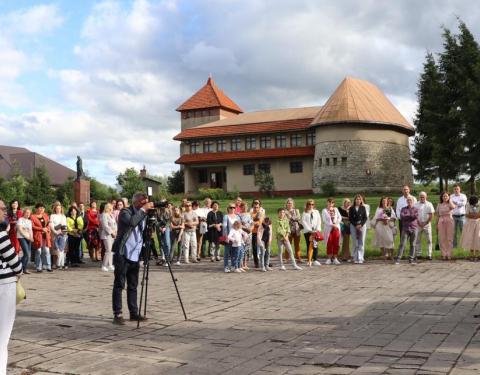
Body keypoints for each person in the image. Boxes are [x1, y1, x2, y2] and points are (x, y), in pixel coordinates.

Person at [112, 192, 152, 325]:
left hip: (136, 253)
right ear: (135, 201)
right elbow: (132, 222)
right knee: (119, 283)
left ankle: (133, 312)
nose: (145, 203)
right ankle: (118, 313)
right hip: (123, 252)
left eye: (145, 201)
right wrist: (143, 210)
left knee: (133, 285)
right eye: (142, 201)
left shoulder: (144, 213)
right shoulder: (125, 212)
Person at [0, 199, 22, 375]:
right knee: (2, 338)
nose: (4, 211)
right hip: (4, 286)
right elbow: (16, 264)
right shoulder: (1, 236)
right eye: (2, 208)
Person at [396, 196, 419, 264]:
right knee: (402, 244)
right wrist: (410, 216)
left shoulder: (416, 209)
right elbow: (402, 216)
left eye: (410, 200)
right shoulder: (403, 209)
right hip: (405, 228)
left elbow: (416, 216)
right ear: (406, 202)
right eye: (408, 200)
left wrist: (408, 216)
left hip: (414, 228)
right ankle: (398, 259)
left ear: (413, 201)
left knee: (413, 244)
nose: (409, 202)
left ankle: (411, 259)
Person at [31, 203, 53, 273]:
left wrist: (47, 229)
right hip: (38, 236)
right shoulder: (32, 216)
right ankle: (38, 267)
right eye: (40, 208)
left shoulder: (46, 215)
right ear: (36, 209)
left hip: (45, 236)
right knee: (38, 251)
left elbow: (48, 224)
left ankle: (48, 266)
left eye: (43, 208)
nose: (41, 209)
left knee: (46, 251)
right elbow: (32, 226)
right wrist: (41, 229)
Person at [414, 192, 435, 260]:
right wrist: (418, 222)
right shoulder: (416, 204)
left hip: (427, 224)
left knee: (429, 239)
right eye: (420, 197)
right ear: (419, 197)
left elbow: (432, 214)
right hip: (418, 224)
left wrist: (426, 222)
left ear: (426, 197)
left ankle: (429, 254)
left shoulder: (429, 204)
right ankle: (418, 254)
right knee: (417, 239)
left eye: (423, 197)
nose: (422, 198)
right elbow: (414, 215)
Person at [322, 198, 342, 265]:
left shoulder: (336, 209)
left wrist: (336, 224)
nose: (331, 204)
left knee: (336, 243)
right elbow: (324, 220)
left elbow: (339, 217)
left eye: (332, 202)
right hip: (328, 229)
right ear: (327, 203)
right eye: (329, 202)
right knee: (329, 243)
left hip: (336, 228)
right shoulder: (324, 210)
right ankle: (329, 258)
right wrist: (331, 225)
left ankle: (335, 258)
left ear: (334, 203)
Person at [436, 191, 455, 261]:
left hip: (449, 220)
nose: (445, 197)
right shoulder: (439, 204)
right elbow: (437, 215)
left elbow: (453, 207)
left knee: (449, 238)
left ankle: (449, 254)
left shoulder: (450, 204)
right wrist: (436, 224)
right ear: (441, 197)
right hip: (441, 221)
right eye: (444, 196)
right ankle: (444, 254)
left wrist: (450, 200)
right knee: (442, 238)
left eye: (446, 196)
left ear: (449, 197)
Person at [349, 194, 368, 264]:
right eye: (357, 199)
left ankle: (360, 257)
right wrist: (355, 225)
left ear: (361, 200)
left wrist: (361, 224)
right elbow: (350, 218)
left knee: (361, 241)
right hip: (353, 226)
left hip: (362, 226)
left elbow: (365, 217)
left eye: (359, 199)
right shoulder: (351, 208)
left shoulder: (363, 208)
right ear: (355, 200)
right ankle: (354, 257)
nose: (358, 200)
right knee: (354, 241)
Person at [302, 199, 322, 266]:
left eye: (312, 204)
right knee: (309, 245)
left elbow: (319, 220)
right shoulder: (305, 213)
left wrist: (317, 229)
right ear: (307, 205)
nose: (311, 206)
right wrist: (310, 230)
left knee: (315, 245)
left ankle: (315, 259)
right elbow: (304, 222)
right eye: (309, 204)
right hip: (308, 231)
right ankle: (309, 259)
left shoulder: (316, 212)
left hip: (315, 231)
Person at [460, 195, 480, 260]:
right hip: (470, 223)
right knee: (470, 238)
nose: (474, 204)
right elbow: (466, 214)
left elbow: (479, 215)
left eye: (475, 203)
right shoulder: (468, 204)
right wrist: (475, 215)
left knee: (477, 238)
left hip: (478, 223)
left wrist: (473, 215)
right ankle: (471, 254)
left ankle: (477, 254)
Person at [49, 202, 68, 270]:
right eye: (57, 208)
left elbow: (65, 225)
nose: (58, 209)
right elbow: (51, 225)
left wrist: (63, 233)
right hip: (54, 233)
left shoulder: (63, 216)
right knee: (54, 249)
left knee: (62, 249)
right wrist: (55, 231)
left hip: (62, 234)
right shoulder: (52, 215)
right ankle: (54, 263)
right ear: (55, 209)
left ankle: (61, 263)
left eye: (59, 208)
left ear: (61, 209)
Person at [100, 203, 117, 272]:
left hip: (113, 235)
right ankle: (104, 265)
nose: (112, 208)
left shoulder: (112, 215)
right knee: (108, 250)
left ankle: (110, 265)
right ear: (108, 208)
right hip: (107, 235)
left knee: (111, 251)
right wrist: (111, 232)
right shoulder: (104, 215)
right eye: (111, 207)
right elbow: (105, 226)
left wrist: (116, 231)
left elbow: (115, 224)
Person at [223, 203, 240, 272]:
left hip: (236, 238)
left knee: (235, 253)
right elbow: (224, 227)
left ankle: (233, 266)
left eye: (234, 207)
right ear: (228, 208)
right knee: (227, 252)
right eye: (231, 207)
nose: (232, 209)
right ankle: (226, 267)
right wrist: (226, 237)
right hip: (229, 237)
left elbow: (239, 227)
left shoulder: (237, 216)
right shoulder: (226, 216)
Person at [285, 198, 303, 262]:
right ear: (286, 204)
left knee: (297, 245)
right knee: (288, 244)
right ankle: (287, 258)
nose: (290, 204)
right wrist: (294, 218)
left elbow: (298, 217)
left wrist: (290, 217)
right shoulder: (284, 211)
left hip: (296, 230)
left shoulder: (296, 210)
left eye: (291, 203)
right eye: (288, 203)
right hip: (288, 230)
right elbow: (284, 220)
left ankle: (298, 258)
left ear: (293, 204)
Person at [17, 208, 33, 274]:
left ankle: (24, 269)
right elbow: (20, 229)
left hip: (28, 238)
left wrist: (31, 237)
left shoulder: (29, 221)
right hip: (21, 237)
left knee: (28, 254)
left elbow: (30, 230)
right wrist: (27, 237)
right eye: (26, 212)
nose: (28, 214)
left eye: (29, 213)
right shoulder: (20, 220)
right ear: (24, 213)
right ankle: (19, 268)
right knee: (26, 253)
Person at [251, 200, 265, 268]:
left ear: (259, 207)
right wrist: (254, 223)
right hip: (253, 233)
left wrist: (254, 222)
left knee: (263, 247)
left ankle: (264, 262)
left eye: (257, 207)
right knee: (254, 248)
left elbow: (259, 223)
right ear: (252, 207)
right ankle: (256, 263)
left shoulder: (261, 214)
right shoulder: (250, 214)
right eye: (254, 207)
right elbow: (250, 223)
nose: (256, 208)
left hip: (260, 233)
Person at [238, 202, 252, 270]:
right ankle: (240, 264)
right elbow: (239, 225)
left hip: (249, 234)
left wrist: (250, 229)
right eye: (243, 206)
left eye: (246, 206)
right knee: (241, 249)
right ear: (241, 207)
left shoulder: (249, 214)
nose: (245, 208)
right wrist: (245, 228)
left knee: (247, 249)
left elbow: (251, 223)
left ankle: (245, 263)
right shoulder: (238, 215)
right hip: (242, 234)